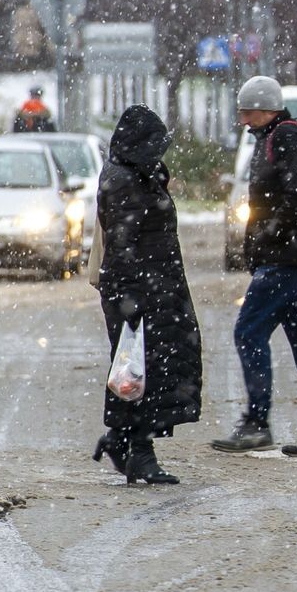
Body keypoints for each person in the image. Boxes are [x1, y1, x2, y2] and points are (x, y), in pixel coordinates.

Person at [211, 76, 297, 457]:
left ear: (267, 108)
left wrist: (271, 236)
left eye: (248, 112)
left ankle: (257, 423)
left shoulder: (286, 137)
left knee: (248, 332)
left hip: (286, 260)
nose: (243, 120)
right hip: (292, 258)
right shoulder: (272, 138)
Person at [91, 105, 201, 484]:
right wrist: (131, 299)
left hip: (156, 287)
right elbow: (121, 246)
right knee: (140, 369)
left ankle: (123, 440)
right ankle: (138, 450)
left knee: (146, 368)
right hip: (138, 291)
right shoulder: (124, 180)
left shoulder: (139, 174)